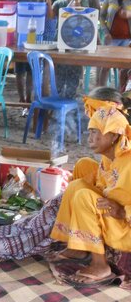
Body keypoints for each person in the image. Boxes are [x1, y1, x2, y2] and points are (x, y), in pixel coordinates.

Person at [50, 100, 131, 286]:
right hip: (112, 216)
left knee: (84, 197)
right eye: (90, 131)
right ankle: (79, 247)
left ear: (113, 136)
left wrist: (123, 211)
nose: (89, 137)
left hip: (126, 226)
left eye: (95, 131)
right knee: (81, 170)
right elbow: (106, 184)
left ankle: (100, 265)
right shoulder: (109, 157)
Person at [0, 0, 44, 115]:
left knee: (30, 70)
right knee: (19, 71)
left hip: (33, 36)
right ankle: (21, 98)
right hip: (19, 37)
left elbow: (42, 6)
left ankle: (28, 100)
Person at [99, 0, 131, 89]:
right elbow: (101, 16)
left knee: (125, 70)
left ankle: (121, 96)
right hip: (111, 39)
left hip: (128, 41)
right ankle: (99, 94)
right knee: (105, 67)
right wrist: (106, 33)